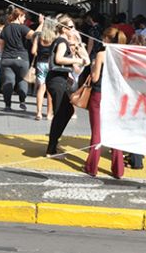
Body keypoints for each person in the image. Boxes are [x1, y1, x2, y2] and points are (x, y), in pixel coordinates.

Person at [84, 27, 126, 178]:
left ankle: (92, 166)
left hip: (99, 93)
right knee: (115, 131)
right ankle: (118, 170)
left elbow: (94, 78)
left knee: (97, 131)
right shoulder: (123, 56)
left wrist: (93, 65)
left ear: (108, 39)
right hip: (116, 96)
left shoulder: (102, 54)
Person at [45, 15, 89, 156]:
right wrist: (76, 59)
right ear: (64, 29)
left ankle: (54, 141)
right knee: (61, 112)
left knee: (67, 110)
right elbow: (58, 58)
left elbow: (85, 61)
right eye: (70, 27)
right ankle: (51, 146)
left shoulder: (62, 41)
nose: (73, 29)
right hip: (57, 79)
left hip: (59, 79)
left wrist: (78, 45)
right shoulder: (62, 41)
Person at [0, 8, 41, 111]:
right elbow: (35, 35)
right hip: (22, 58)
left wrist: (4, 53)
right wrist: (41, 24)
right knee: (22, 80)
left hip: (7, 58)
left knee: (8, 81)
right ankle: (22, 101)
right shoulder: (23, 28)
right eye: (23, 17)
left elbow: (0, 45)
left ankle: (7, 105)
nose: (25, 19)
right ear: (19, 16)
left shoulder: (5, 28)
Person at [30, 17, 57, 121]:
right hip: (50, 64)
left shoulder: (39, 36)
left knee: (41, 88)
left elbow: (33, 51)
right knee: (50, 89)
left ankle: (39, 113)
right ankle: (49, 114)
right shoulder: (55, 37)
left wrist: (40, 53)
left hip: (40, 63)